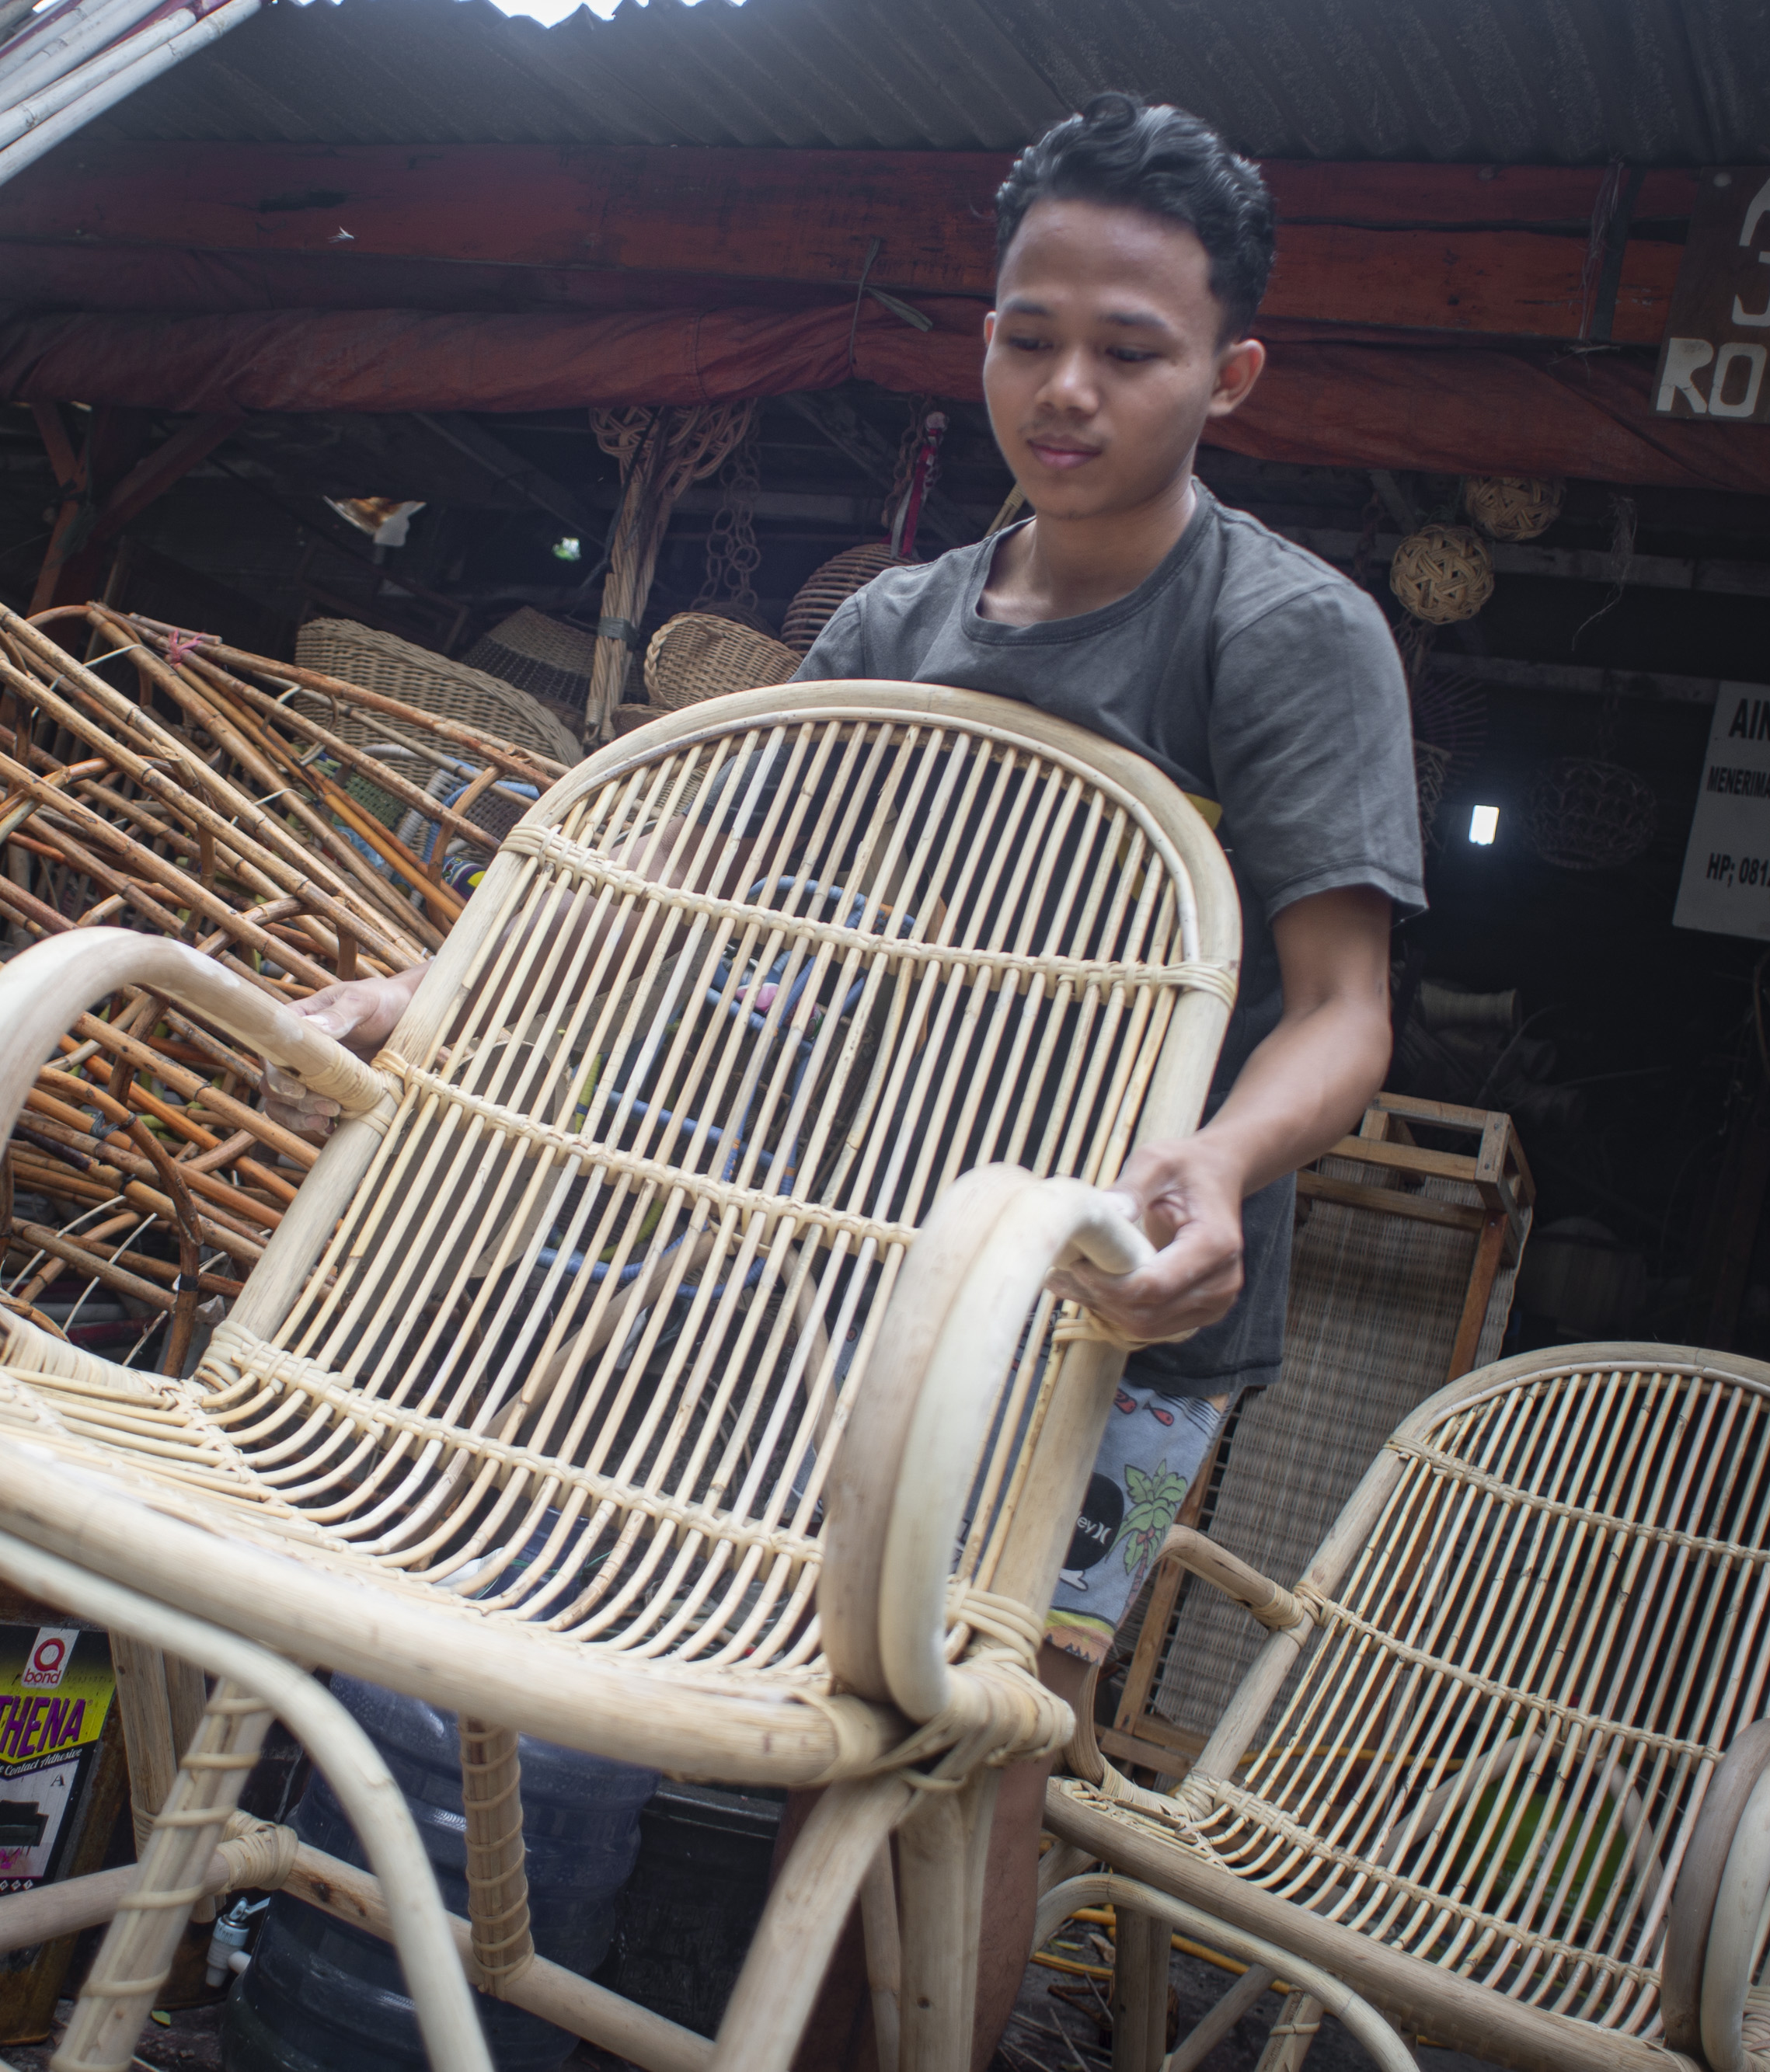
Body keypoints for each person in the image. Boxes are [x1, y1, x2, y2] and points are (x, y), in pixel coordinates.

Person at [267, 92, 1420, 2064]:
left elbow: (1339, 1007)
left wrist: (1219, 1163)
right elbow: (677, 884)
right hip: (830, 1254)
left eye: (1128, 353)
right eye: (1022, 334)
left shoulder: (1281, 634)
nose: (1064, 389)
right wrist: (427, 989)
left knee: (944, 1761)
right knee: (764, 1674)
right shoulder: (892, 621)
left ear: (1226, 373)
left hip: (1099, 1306)